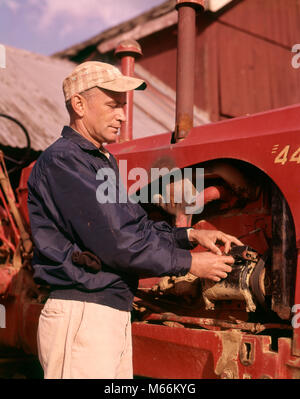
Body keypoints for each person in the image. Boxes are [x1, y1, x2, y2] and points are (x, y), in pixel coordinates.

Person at [27, 61, 242, 379]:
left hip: (106, 313)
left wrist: (190, 236)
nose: (123, 115)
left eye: (124, 106)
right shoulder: (65, 161)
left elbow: (134, 227)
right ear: (79, 104)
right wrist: (190, 264)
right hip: (84, 313)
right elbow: (117, 242)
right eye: (113, 105)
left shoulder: (99, 161)